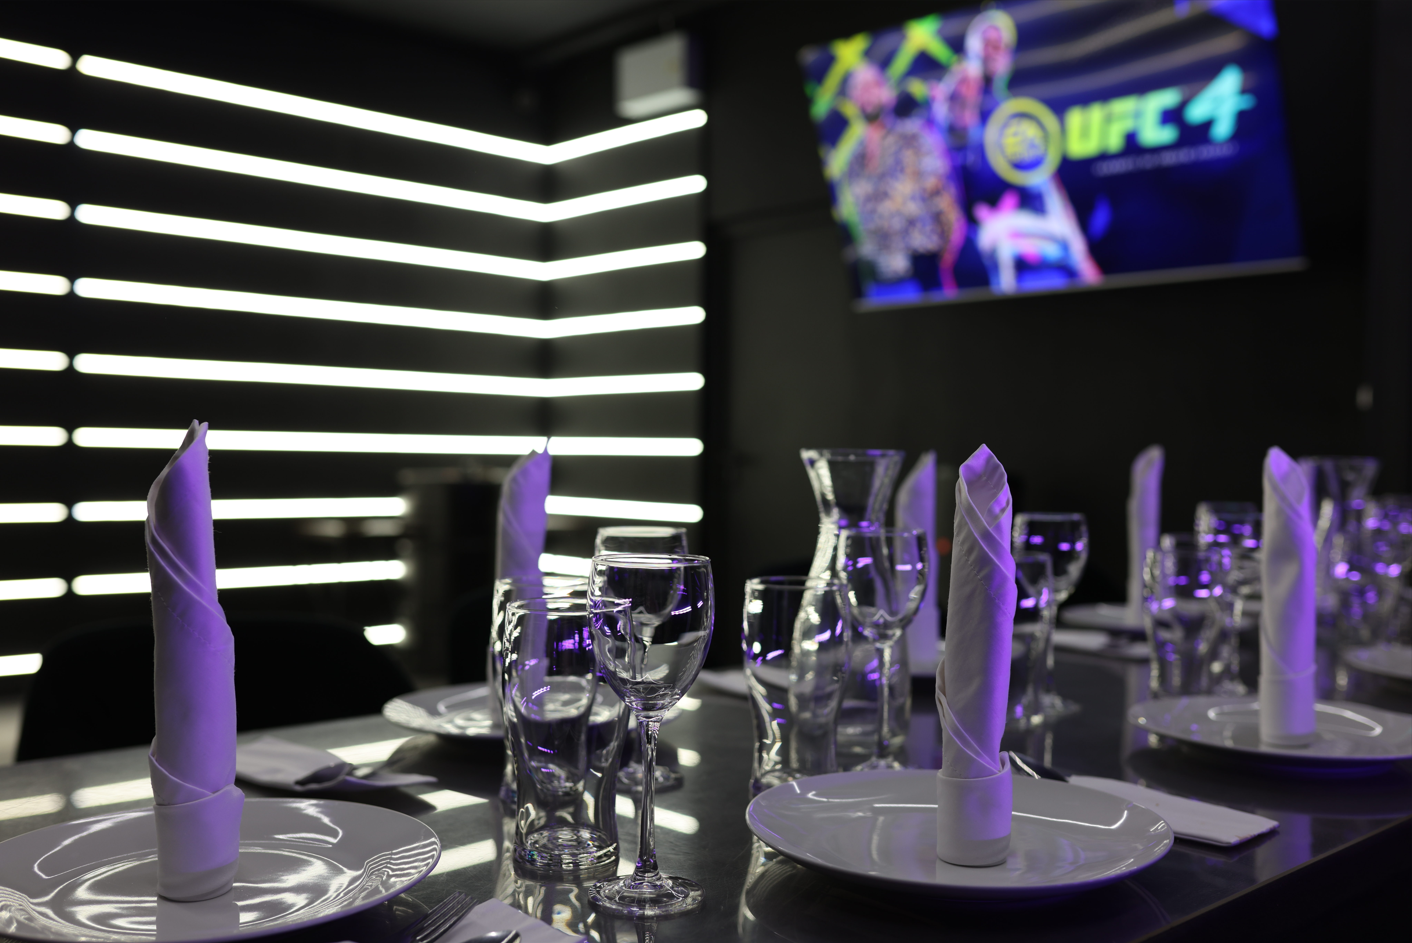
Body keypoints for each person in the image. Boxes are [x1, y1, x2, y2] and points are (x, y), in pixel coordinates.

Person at [841, 60, 967, 297]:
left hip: (923, 265)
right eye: (859, 87)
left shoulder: (915, 136)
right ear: (852, 99)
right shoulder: (853, 160)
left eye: (873, 84)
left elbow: (945, 200)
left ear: (888, 92)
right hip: (880, 274)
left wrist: (946, 256)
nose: (867, 92)